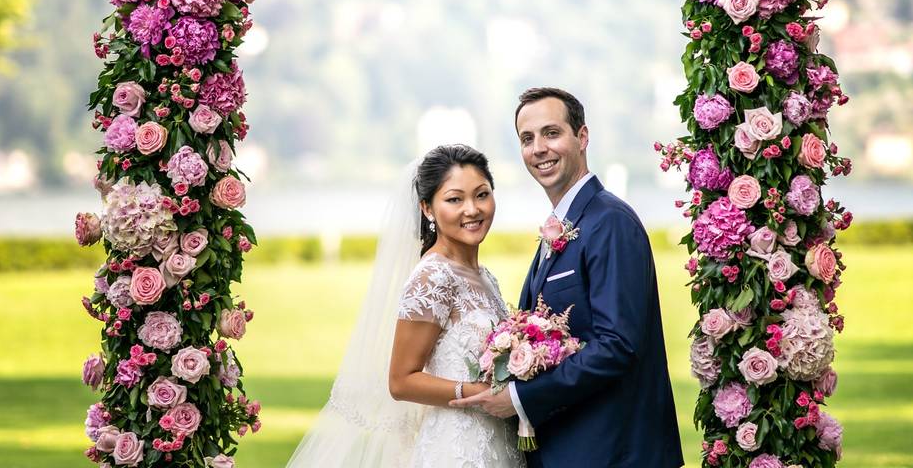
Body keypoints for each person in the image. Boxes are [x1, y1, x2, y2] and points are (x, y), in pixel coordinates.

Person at [451, 87, 683, 468]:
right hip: (574, 450)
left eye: (551, 133)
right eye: (527, 139)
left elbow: (616, 345)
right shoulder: (565, 225)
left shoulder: (610, 222)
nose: (539, 148)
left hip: (615, 453)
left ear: (583, 137)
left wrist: (521, 399)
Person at [286, 145, 524, 468]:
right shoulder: (433, 276)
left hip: (500, 440)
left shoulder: (485, 277)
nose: (472, 209)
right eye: (455, 199)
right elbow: (401, 380)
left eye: (481, 195)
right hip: (457, 449)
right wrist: (479, 394)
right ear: (428, 209)